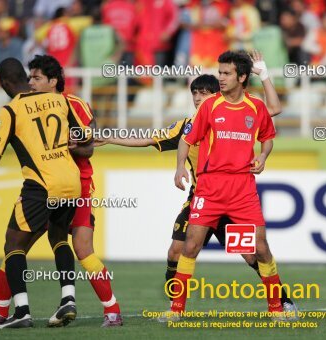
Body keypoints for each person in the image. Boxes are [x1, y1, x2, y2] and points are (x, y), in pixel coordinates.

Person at [96, 52, 297, 316]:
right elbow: (149, 138)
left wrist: (265, 75)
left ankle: (281, 300)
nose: (198, 98)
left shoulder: (245, 107)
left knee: (252, 254)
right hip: (203, 194)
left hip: (238, 192)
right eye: (195, 93)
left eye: (204, 92)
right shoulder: (189, 124)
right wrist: (112, 138)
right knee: (179, 249)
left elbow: (271, 115)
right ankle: (175, 305)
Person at [0, 54, 123, 328]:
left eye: (37, 78)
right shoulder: (51, 104)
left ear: (52, 81)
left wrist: (73, 148)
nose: (32, 82)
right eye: (30, 77)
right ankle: (9, 310)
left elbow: (89, 145)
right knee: (33, 244)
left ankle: (110, 310)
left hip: (77, 185)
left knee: (77, 248)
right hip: (64, 184)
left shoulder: (71, 103)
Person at [160, 50, 284, 321]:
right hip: (209, 188)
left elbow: (268, 136)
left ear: (242, 77)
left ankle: (277, 308)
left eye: (227, 73)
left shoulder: (255, 107)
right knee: (190, 246)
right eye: (220, 72)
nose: (222, 78)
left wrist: (263, 155)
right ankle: (176, 309)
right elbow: (187, 139)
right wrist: (180, 167)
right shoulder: (209, 106)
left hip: (243, 189)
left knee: (260, 250)